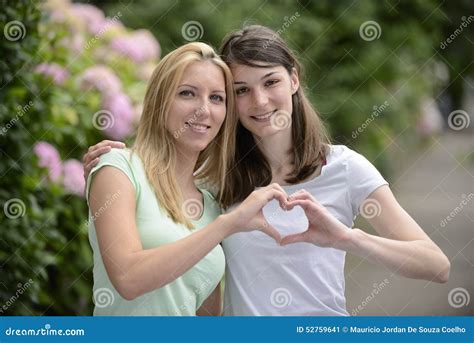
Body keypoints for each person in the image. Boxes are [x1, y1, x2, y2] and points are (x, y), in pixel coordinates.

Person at [83, 26, 450, 316]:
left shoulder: (343, 167)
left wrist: (347, 239)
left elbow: (436, 265)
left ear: (294, 80)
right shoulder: (216, 179)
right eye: (241, 90)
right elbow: (163, 181)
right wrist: (118, 161)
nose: (259, 101)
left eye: (271, 82)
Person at [85, 41, 287, 316]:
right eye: (187, 93)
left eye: (216, 98)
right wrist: (227, 225)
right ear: (160, 100)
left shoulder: (211, 203)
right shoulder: (118, 169)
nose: (203, 110)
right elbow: (128, 279)